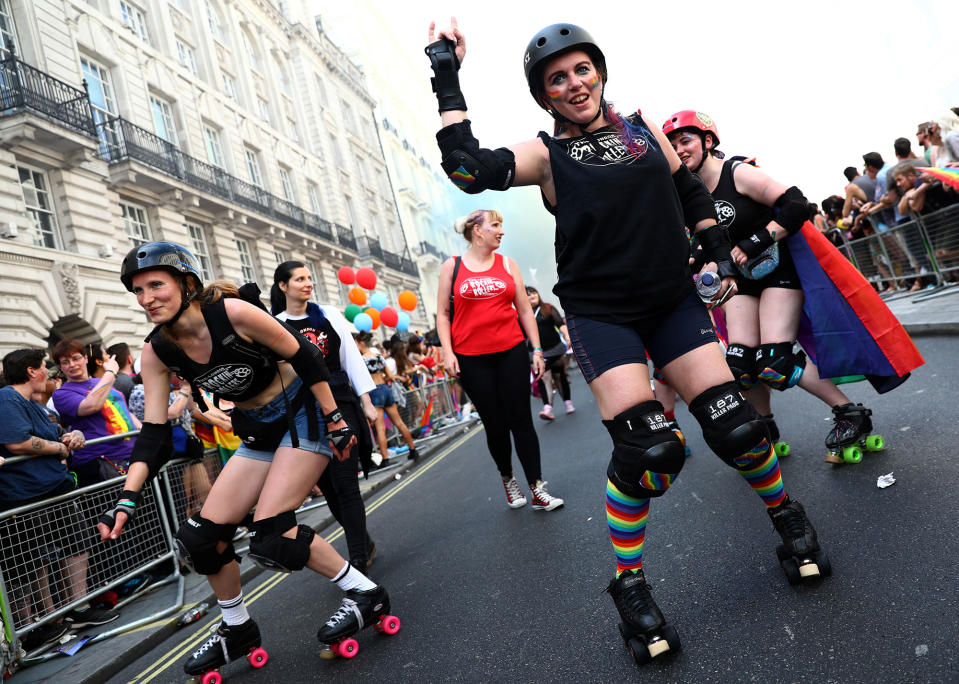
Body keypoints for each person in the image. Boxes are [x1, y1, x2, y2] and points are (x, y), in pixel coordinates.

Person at [425, 20, 826, 661]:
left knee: (739, 427)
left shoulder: (643, 134)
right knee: (648, 451)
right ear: (546, 95)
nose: (573, 83)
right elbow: (468, 168)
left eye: (581, 69)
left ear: (600, 72)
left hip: (670, 300)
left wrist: (716, 250)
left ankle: (786, 515)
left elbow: (689, 187)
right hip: (601, 312)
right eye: (557, 78)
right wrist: (446, 69)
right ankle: (630, 584)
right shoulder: (544, 154)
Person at [98, 242, 395, 679]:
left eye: (155, 285)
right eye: (138, 291)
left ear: (186, 283)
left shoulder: (231, 313)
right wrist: (126, 498)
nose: (147, 299)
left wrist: (335, 419)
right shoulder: (157, 351)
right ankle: (238, 629)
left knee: (273, 535)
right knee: (200, 539)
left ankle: (367, 594)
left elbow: (306, 356)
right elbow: (155, 434)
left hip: (302, 414)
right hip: (257, 428)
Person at [434, 209, 564, 512]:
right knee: (495, 424)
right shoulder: (451, 267)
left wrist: (536, 349)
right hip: (471, 357)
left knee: (521, 419)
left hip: (511, 350)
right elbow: (442, 313)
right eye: (495, 225)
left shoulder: (507, 264)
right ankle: (508, 478)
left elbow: (522, 310)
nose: (501, 231)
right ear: (477, 231)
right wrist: (447, 352)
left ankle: (537, 487)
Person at [0, 349, 119, 651]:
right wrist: (58, 448)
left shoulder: (33, 403)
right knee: (29, 562)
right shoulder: (7, 398)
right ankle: (34, 627)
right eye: (44, 367)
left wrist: (73, 435)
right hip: (26, 494)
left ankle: (76, 609)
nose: (49, 373)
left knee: (77, 543)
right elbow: (18, 442)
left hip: (55, 488)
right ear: (31, 372)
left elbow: (58, 432)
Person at [270, 260, 379, 570]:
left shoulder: (328, 314)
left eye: (309, 277)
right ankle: (365, 544)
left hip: (340, 402)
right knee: (330, 489)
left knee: (346, 484)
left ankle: (357, 557)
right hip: (302, 413)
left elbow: (351, 359)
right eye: (300, 279)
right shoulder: (273, 323)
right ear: (283, 286)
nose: (308, 283)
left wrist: (366, 402)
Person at [51, 340, 140, 487]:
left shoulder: (101, 381)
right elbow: (91, 405)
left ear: (85, 358)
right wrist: (111, 372)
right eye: (66, 362)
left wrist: (145, 433)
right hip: (102, 463)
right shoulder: (62, 393)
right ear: (61, 367)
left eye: (76, 358)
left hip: (130, 457)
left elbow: (123, 409)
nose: (72, 365)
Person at [352, 332, 419, 465]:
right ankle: (413, 449)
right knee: (399, 422)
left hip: (374, 392)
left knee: (380, 428)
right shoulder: (379, 357)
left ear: (361, 343)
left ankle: (385, 459)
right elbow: (389, 376)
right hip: (386, 389)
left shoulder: (360, 360)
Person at [524, 286, 574, 419]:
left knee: (559, 376)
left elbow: (560, 324)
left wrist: (567, 335)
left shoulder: (548, 308)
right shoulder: (522, 314)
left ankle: (567, 402)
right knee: (544, 378)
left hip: (555, 349)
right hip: (536, 353)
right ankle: (548, 408)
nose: (532, 296)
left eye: (533, 292)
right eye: (528, 295)